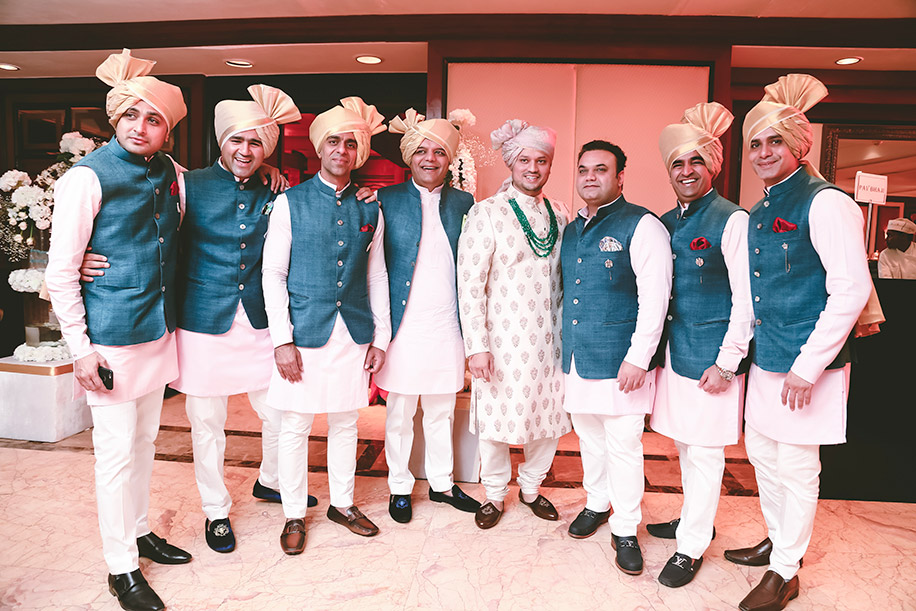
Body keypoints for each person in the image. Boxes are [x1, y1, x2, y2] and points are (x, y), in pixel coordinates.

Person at [77, 86, 321, 553]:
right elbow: (145, 229)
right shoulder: (185, 183)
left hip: (260, 321)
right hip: (203, 320)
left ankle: (272, 479)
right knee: (207, 423)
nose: (245, 150)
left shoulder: (280, 188)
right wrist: (86, 254)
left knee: (281, 412)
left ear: (267, 150)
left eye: (256, 142)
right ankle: (216, 511)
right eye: (236, 140)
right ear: (221, 142)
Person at [45, 49, 191, 611]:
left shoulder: (172, 174)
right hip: (109, 340)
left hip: (156, 333)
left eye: (153, 119)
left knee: (145, 442)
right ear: (115, 118)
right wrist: (80, 349)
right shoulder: (86, 178)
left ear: (166, 132)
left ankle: (140, 530)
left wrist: (270, 175)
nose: (140, 126)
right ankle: (121, 568)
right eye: (131, 115)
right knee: (114, 455)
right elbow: (61, 272)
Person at [726, 74, 871, 611]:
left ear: (798, 146)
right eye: (755, 143)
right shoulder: (761, 209)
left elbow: (851, 289)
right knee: (763, 455)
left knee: (796, 465)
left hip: (810, 365)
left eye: (774, 142)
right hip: (767, 358)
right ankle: (778, 539)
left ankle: (786, 571)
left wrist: (808, 366)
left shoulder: (827, 203)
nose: (763, 152)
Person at [262, 97, 390, 555]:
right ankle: (294, 513)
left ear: (359, 152)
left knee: (346, 422)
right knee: (295, 425)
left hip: (352, 332)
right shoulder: (289, 203)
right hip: (303, 332)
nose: (341, 150)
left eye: (350, 143)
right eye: (333, 141)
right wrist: (282, 340)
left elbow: (377, 275)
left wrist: (381, 337)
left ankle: (343, 504)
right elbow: (272, 274)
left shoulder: (370, 207)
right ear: (319, 148)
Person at [646, 103, 754, 587]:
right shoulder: (667, 220)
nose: (686, 171)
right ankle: (695, 520)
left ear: (712, 166)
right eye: (677, 163)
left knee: (706, 453)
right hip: (676, 354)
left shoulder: (732, 220)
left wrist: (727, 362)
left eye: (695, 162)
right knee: (686, 447)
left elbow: (746, 300)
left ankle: (690, 547)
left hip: (712, 358)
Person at [561, 140, 672, 577]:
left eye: (601, 169)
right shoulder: (572, 229)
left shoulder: (642, 225)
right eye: (583, 169)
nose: (590, 177)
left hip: (622, 362)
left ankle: (625, 528)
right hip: (578, 358)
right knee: (589, 439)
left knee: (624, 445)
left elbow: (655, 297)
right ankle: (596, 502)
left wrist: (639, 357)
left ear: (620, 176)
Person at [457, 119, 570, 530]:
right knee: (495, 420)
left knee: (547, 418)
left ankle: (532, 489)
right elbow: (469, 284)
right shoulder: (485, 212)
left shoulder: (561, 212)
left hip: (551, 339)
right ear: (511, 162)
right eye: (525, 160)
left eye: (541, 161)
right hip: (501, 340)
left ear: (550, 165)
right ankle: (493, 494)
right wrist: (477, 346)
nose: (533, 168)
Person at [374, 109, 481, 523]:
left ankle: (441, 484)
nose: (430, 159)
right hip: (403, 326)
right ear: (409, 157)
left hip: (446, 324)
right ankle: (399, 487)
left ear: (450, 159)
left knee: (440, 411)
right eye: (421, 151)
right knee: (400, 413)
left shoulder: (465, 203)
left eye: (439, 152)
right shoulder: (385, 199)